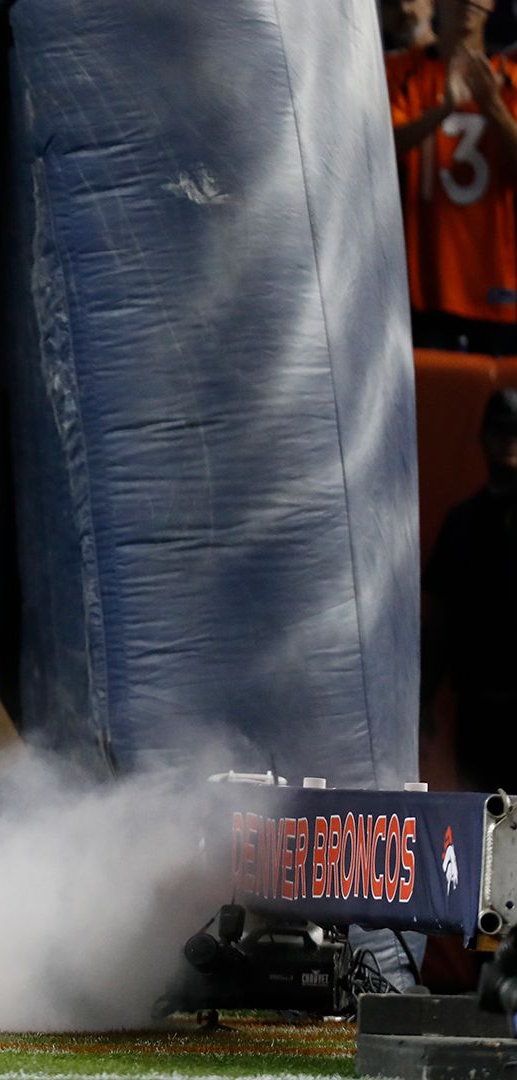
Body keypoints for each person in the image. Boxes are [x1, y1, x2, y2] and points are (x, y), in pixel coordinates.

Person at [388, 0, 517, 352]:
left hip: (497, 285)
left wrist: (492, 105)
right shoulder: (398, 71)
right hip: (422, 289)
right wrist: (442, 110)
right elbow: (379, 149)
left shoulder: (510, 76)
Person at [422, 387, 517, 793]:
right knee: (484, 824)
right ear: (483, 437)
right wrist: (424, 698)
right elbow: (440, 619)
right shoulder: (462, 522)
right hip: (479, 705)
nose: (509, 441)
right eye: (501, 431)